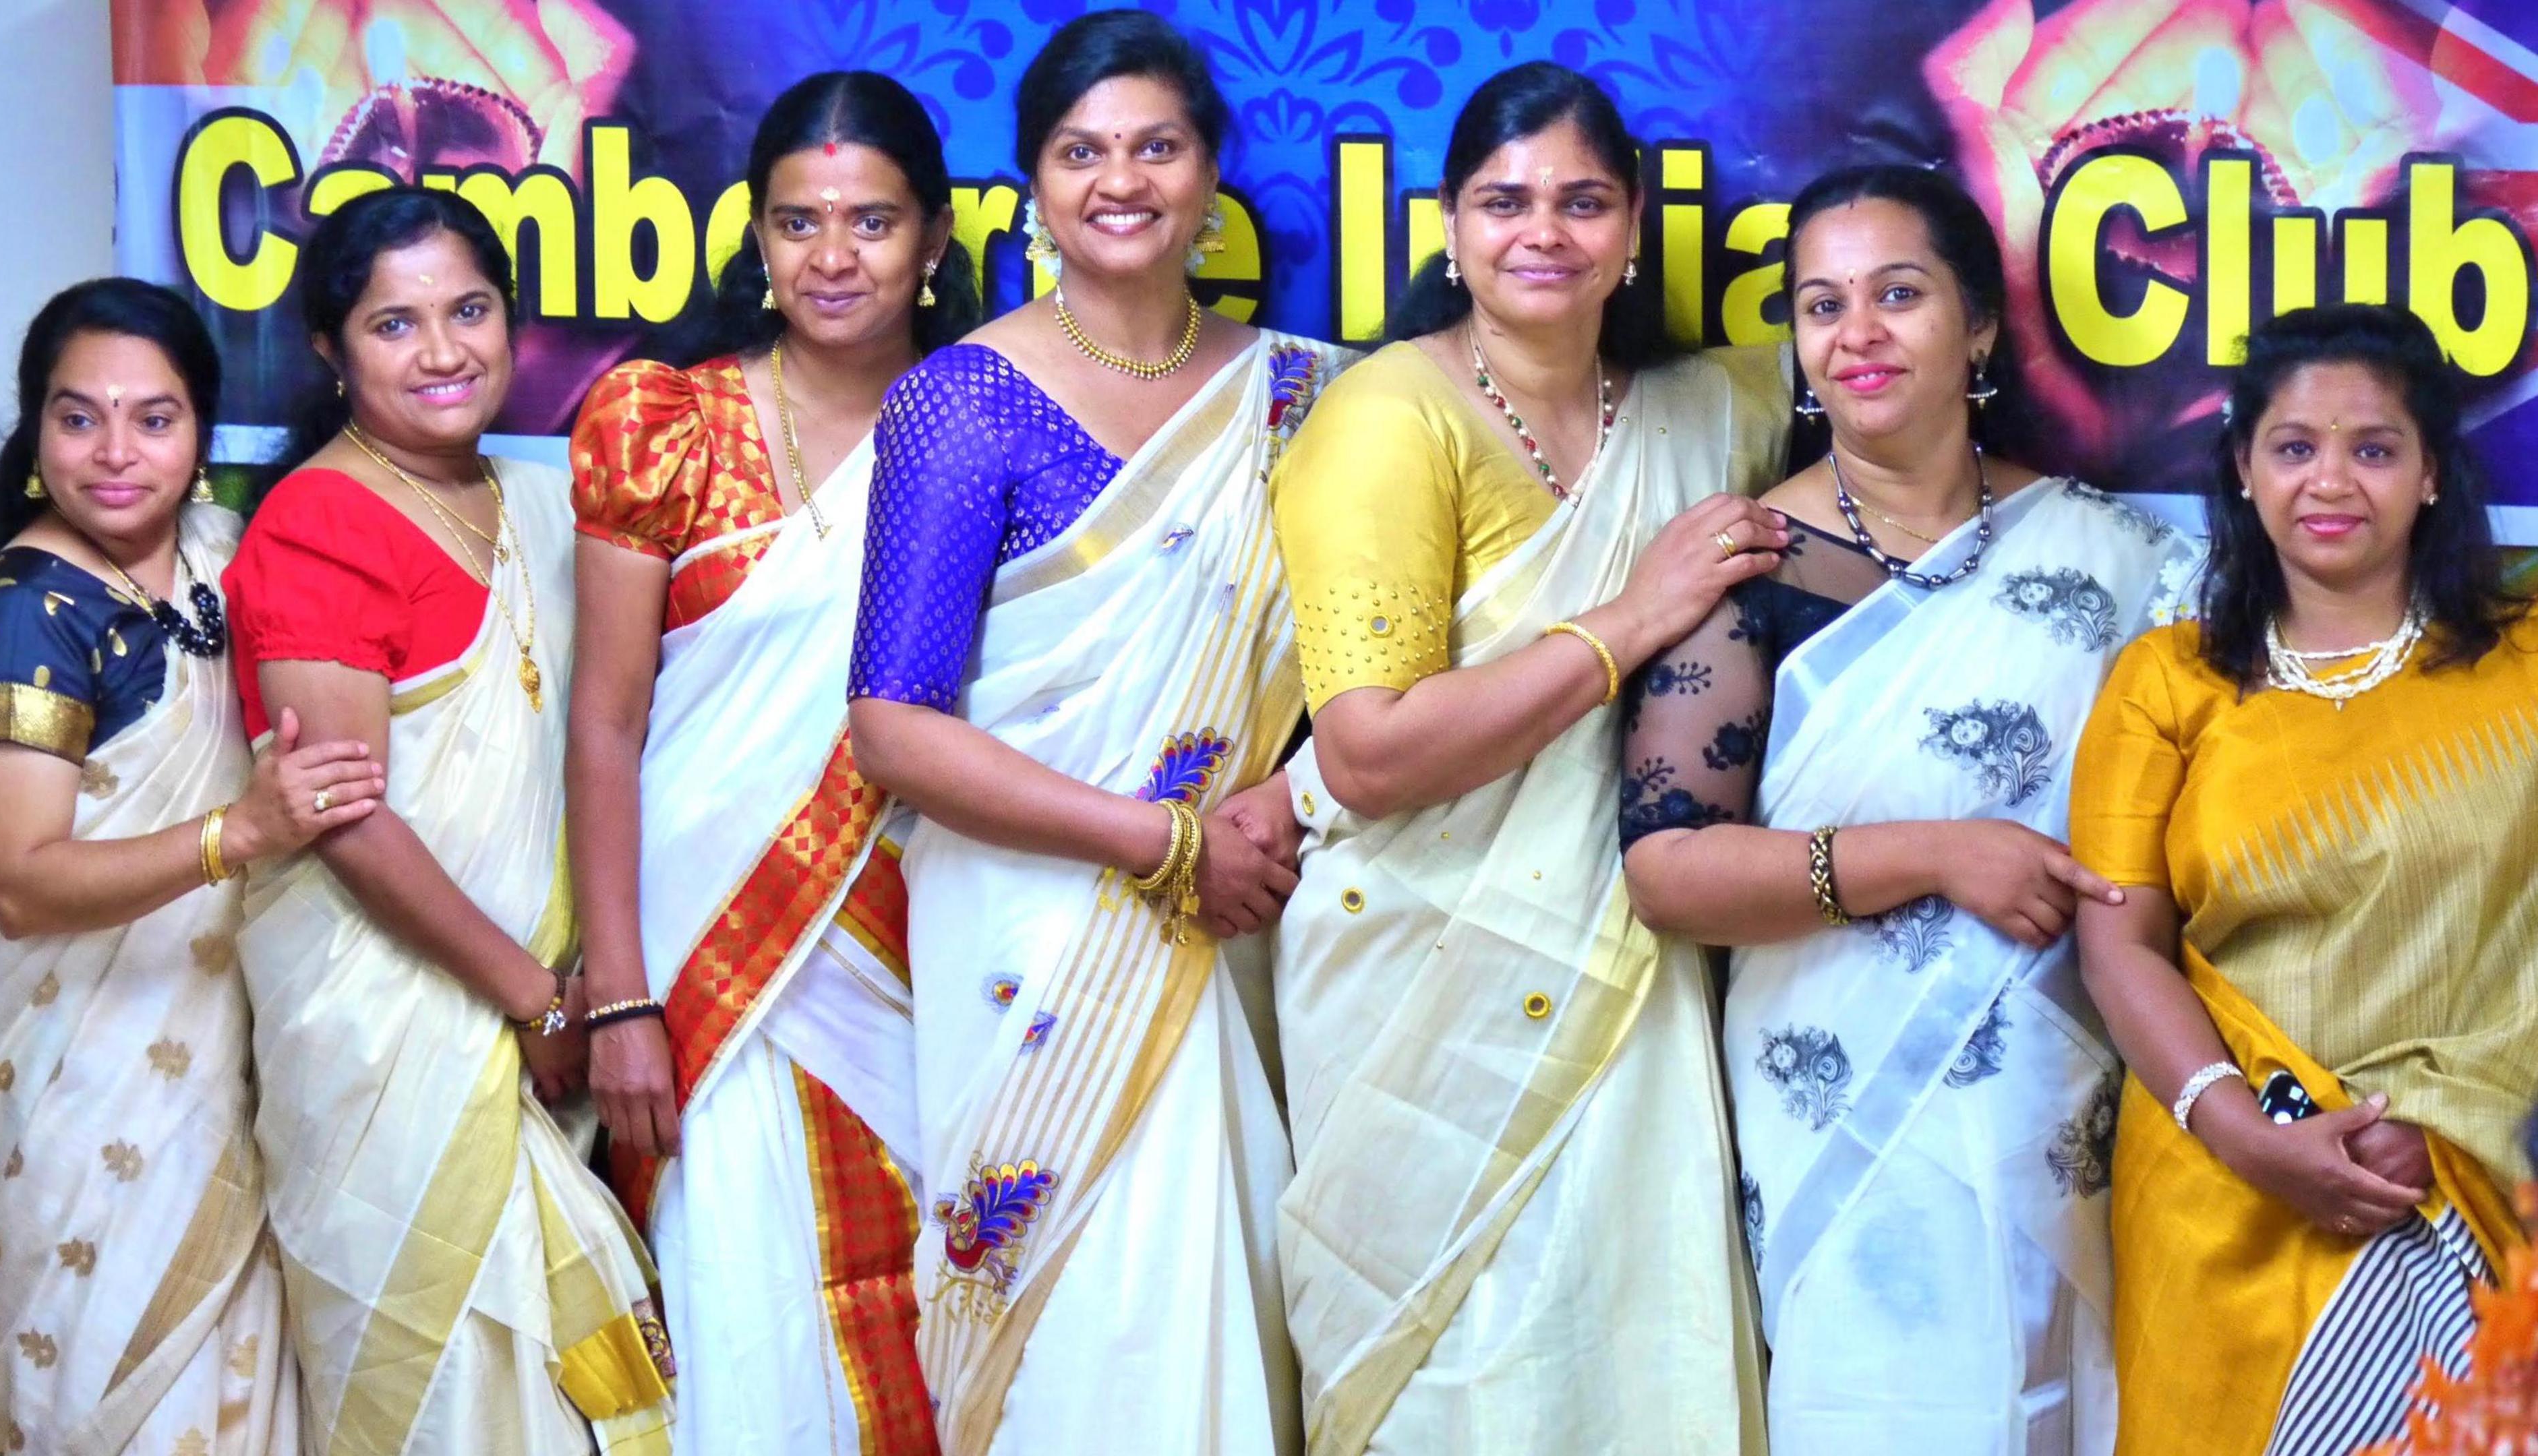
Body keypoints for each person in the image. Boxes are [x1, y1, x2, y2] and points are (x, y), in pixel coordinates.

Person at [1618, 164, 2201, 1455]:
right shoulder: (1744, 565)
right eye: (1822, 306)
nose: (1858, 333)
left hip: (2073, 1110)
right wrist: (1935, 856)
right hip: (1840, 1111)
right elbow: (1669, 872)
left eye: (1899, 294)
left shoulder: (2117, 557)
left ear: (1980, 325)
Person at [1267, 61, 1796, 1456]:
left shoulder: (1711, 414)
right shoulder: (1388, 418)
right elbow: (1370, 757)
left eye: (1580, 201)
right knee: (1456, 1378)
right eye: (1504, 202)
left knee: (1630, 1349)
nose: (1540, 232)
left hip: (1630, 967)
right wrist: (1633, 618)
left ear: (1633, 228)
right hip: (1421, 967)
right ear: (1447, 228)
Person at [844, 10, 1352, 1452]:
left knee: (1225, 1267)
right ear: (1032, 185)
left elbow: (1371, 676)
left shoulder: (1307, 393)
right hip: (1033, 918)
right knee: (1070, 1305)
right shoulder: (960, 401)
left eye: (1157, 146)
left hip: (1240, 909)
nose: (1120, 180)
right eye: (1083, 151)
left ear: (1211, 173)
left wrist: (1272, 814)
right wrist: (1156, 840)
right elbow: (893, 727)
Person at [222, 187, 674, 1454]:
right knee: (443, 1393)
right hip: (393, 1033)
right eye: (395, 324)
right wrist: (532, 996)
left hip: (543, 1017)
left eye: (469, 310)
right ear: (330, 348)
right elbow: (344, 818)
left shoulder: (532, 502)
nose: (442, 352)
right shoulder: (318, 524)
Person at [568, 68, 978, 1456]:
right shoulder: (662, 425)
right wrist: (619, 994)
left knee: (933, 1291)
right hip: (705, 960)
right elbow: (607, 724)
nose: (834, 257)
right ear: (755, 239)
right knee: (738, 1286)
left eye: (871, 223)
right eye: (800, 223)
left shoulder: (990, 420)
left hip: (930, 940)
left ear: (932, 238)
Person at [2070, 302, 2537, 1455]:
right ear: (2242, 469)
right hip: (2216, 1190)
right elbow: (2119, 940)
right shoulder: (2166, 681)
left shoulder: (2524, 668)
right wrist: (2240, 1134)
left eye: (2374, 448)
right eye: (2294, 447)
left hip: (2466, 1186)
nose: (2332, 481)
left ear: (2431, 473)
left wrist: (2448, 1122)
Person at [0, 280, 378, 1456]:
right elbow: (22, 886)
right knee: (101, 1388)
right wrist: (233, 835)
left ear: (202, 433)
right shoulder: (24, 614)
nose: (116, 454)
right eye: (78, 417)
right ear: (35, 432)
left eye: (156, 418)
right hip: (85, 1085)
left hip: (230, 1053)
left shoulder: (214, 556)